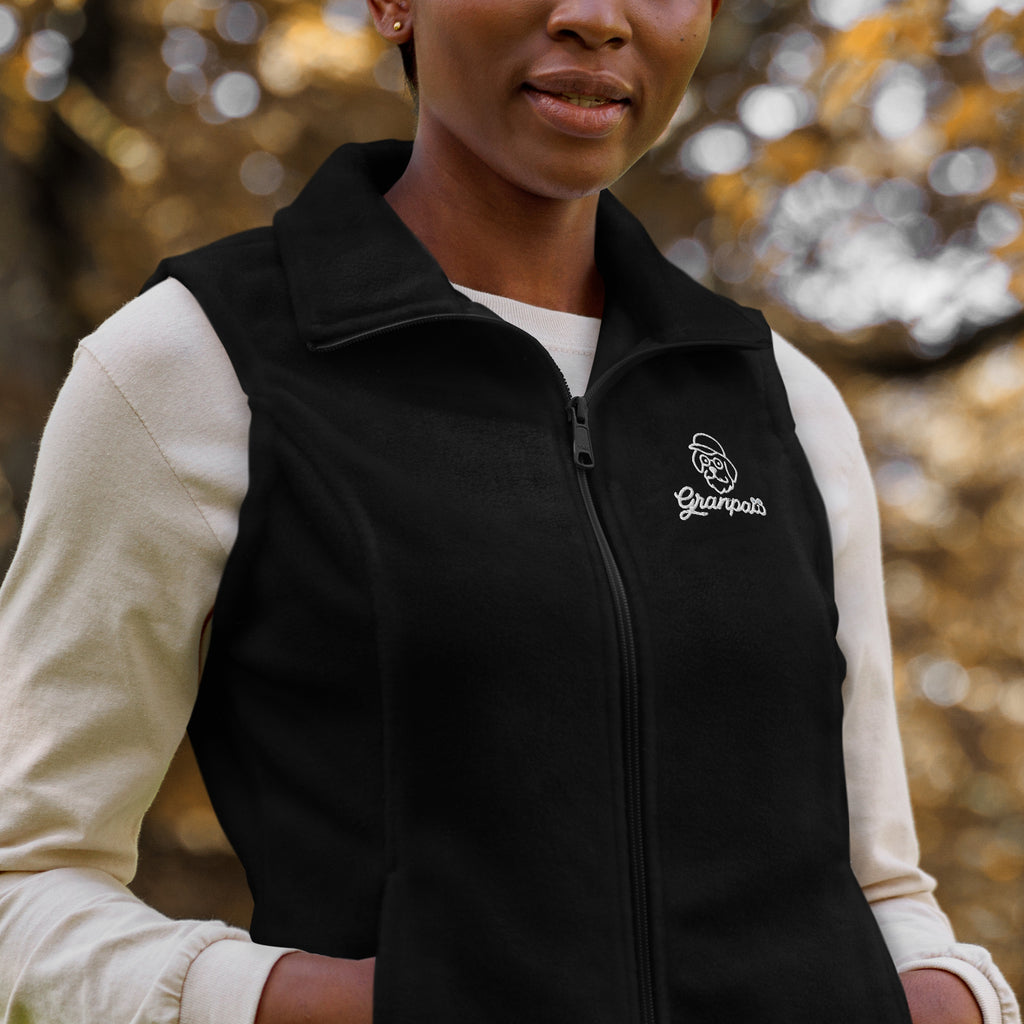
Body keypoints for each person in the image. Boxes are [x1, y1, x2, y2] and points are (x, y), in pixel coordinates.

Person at [0, 0, 1019, 1022]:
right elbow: (25, 890)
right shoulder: (193, 367)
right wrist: (330, 1002)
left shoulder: (779, 403)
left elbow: (879, 886)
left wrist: (953, 999)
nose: (595, 17)